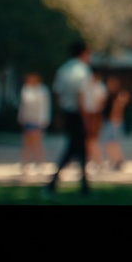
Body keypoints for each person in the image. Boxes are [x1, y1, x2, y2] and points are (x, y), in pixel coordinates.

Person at [46, 40, 94, 197]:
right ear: (83, 53)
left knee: (77, 149)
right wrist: (86, 119)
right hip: (78, 114)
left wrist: (59, 115)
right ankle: (55, 184)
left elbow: (57, 93)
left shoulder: (64, 69)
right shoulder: (83, 71)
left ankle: (82, 186)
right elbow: (81, 97)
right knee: (75, 149)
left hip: (68, 113)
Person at [17, 72, 51, 175]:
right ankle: (25, 164)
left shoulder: (42, 90)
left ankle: (40, 164)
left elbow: (44, 106)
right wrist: (21, 118)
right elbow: (23, 106)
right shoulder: (26, 89)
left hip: (37, 120)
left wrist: (43, 120)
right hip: (28, 119)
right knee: (26, 143)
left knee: (37, 143)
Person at [99, 76, 131, 172]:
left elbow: (117, 109)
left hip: (114, 121)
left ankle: (118, 160)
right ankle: (114, 160)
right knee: (109, 142)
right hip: (109, 121)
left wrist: (115, 121)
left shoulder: (120, 95)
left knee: (113, 142)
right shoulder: (109, 95)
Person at [83, 71, 108, 174]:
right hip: (88, 114)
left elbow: (101, 102)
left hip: (94, 115)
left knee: (92, 140)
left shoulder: (100, 87)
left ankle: (99, 161)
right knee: (88, 140)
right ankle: (93, 161)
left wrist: (94, 113)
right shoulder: (88, 86)